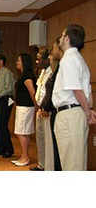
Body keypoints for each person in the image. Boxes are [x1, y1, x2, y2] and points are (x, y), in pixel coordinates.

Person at [52, 24, 95, 171]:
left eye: (62, 35)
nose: (60, 38)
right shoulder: (79, 59)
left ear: (67, 38)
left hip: (69, 115)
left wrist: (87, 111)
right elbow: (86, 90)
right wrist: (88, 109)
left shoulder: (68, 59)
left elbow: (76, 88)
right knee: (76, 160)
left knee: (71, 163)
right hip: (76, 113)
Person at [38, 39, 63, 171]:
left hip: (54, 111)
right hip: (47, 110)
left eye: (51, 55)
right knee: (47, 143)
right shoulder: (52, 73)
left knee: (52, 145)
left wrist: (46, 108)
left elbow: (54, 93)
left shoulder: (58, 72)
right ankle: (47, 167)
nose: (49, 57)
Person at [12, 53, 37, 167]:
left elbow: (32, 92)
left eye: (19, 61)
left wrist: (36, 106)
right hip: (23, 106)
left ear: (24, 62)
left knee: (21, 132)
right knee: (24, 132)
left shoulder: (27, 76)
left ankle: (26, 157)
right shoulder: (24, 75)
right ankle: (24, 155)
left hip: (26, 107)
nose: (17, 63)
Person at [30, 49, 52, 171]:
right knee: (40, 139)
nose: (37, 61)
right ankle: (41, 164)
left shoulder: (51, 73)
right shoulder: (42, 72)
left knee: (48, 140)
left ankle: (48, 167)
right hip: (39, 109)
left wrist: (45, 107)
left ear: (47, 59)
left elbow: (49, 94)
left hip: (46, 111)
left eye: (39, 59)